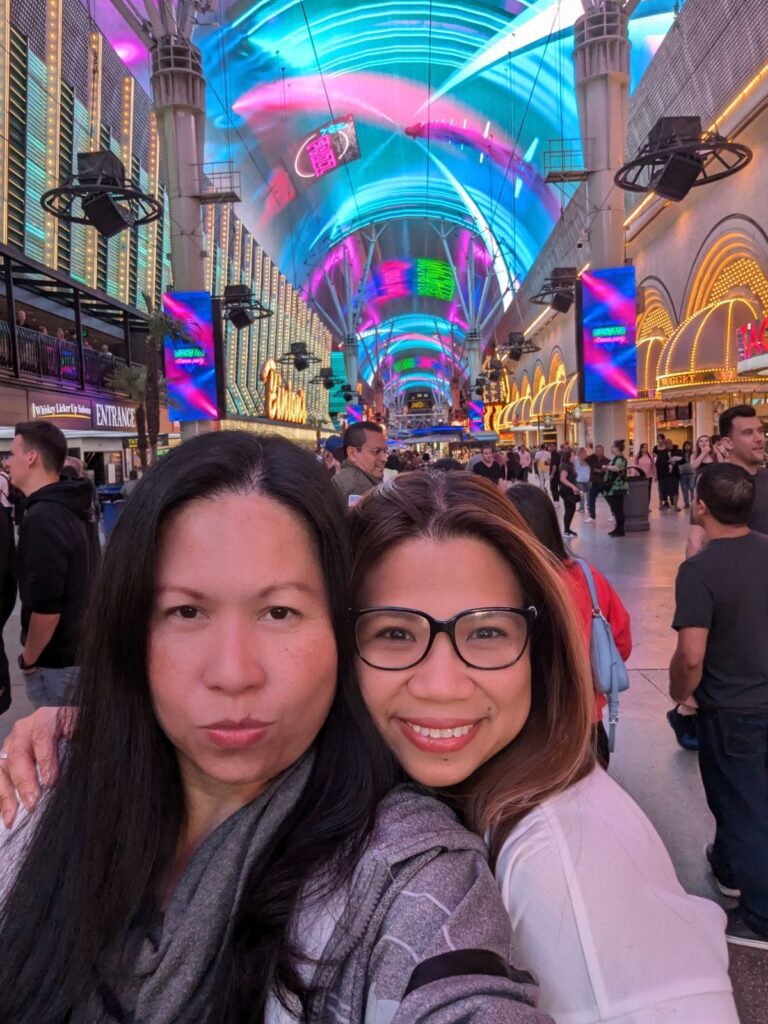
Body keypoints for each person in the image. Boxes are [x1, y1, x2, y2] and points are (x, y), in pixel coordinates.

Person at [0, 433, 548, 1024]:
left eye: (280, 612)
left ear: (341, 631)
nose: (233, 674)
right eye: (186, 611)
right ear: (131, 628)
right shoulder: (34, 795)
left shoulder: (413, 877)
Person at [348, 472, 736, 1022]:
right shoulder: (436, 802)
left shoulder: (566, 866)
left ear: (541, 646)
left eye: (486, 632)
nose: (440, 685)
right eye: (394, 633)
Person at [670, 464, 768, 951]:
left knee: (741, 805)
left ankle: (761, 913)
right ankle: (728, 865)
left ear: (701, 506)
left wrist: (679, 691)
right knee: (749, 798)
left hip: (732, 708)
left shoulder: (699, 571)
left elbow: (691, 654)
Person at [506, 484, 631, 767]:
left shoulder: (502, 588)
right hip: (585, 720)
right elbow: (621, 641)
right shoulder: (588, 577)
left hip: (523, 727)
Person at [7, 422, 98, 708]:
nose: (7, 462)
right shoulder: (73, 505)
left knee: (56, 749)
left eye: (11, 454)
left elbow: (47, 609)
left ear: (31, 457)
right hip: (81, 652)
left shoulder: (42, 518)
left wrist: (29, 659)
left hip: (57, 665)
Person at [686, 404, 768, 558]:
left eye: (760, 431)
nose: (759, 439)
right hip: (736, 576)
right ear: (728, 443)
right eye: (748, 433)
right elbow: (695, 541)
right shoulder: (712, 482)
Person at [332, 421, 387, 508]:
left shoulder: (351, 479)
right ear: (352, 453)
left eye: (385, 451)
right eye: (376, 451)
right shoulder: (358, 487)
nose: (384, 458)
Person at [604, 440, 628, 537]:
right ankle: (617, 528)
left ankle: (620, 530)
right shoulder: (615, 458)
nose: (611, 448)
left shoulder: (621, 459)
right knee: (615, 509)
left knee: (618, 509)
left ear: (617, 448)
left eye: (613, 446)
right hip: (612, 488)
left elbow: (617, 468)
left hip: (618, 487)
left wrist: (606, 467)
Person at [558, 450, 580, 538]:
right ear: (567, 457)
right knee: (569, 509)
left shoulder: (570, 465)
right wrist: (572, 486)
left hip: (570, 490)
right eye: (572, 456)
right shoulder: (565, 466)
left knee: (572, 509)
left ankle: (568, 529)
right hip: (566, 490)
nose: (574, 457)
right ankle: (566, 531)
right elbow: (562, 479)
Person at [584, 444, 609, 522]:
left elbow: (606, 471)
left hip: (603, 483)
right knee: (591, 500)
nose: (599, 452)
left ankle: (614, 514)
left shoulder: (607, 460)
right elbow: (586, 460)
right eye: (597, 450)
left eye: (600, 450)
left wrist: (597, 470)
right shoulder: (592, 459)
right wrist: (593, 455)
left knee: (609, 499)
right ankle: (592, 516)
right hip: (594, 483)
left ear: (603, 451)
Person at [573, 446, 590, 512]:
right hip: (588, 478)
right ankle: (589, 506)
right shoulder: (588, 459)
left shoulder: (575, 459)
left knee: (581, 494)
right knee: (588, 494)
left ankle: (582, 508)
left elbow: (573, 468)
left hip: (579, 479)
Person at [679, 440, 695, 509]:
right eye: (686, 446)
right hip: (683, 474)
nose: (687, 447)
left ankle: (693, 501)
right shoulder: (681, 454)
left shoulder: (693, 454)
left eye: (688, 446)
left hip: (691, 473)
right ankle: (686, 503)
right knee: (684, 489)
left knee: (692, 488)